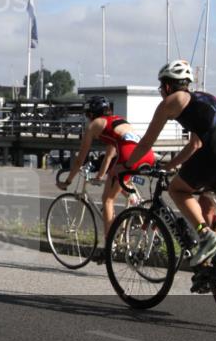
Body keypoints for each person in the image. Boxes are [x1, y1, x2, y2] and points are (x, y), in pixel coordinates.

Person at [120, 59, 216, 269]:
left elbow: (147, 142)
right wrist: (169, 166)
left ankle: (204, 235)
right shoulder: (204, 99)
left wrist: (128, 164)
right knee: (208, 209)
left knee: (177, 190)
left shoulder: (172, 101)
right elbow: (194, 144)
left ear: (167, 86)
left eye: (161, 88)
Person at [57, 96, 155, 239]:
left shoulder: (94, 125)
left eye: (87, 115)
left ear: (91, 113)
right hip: (147, 154)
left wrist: (68, 182)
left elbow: (80, 159)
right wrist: (101, 174)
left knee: (108, 199)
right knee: (119, 184)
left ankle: (109, 244)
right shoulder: (117, 121)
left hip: (129, 156)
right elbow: (109, 155)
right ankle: (137, 208)